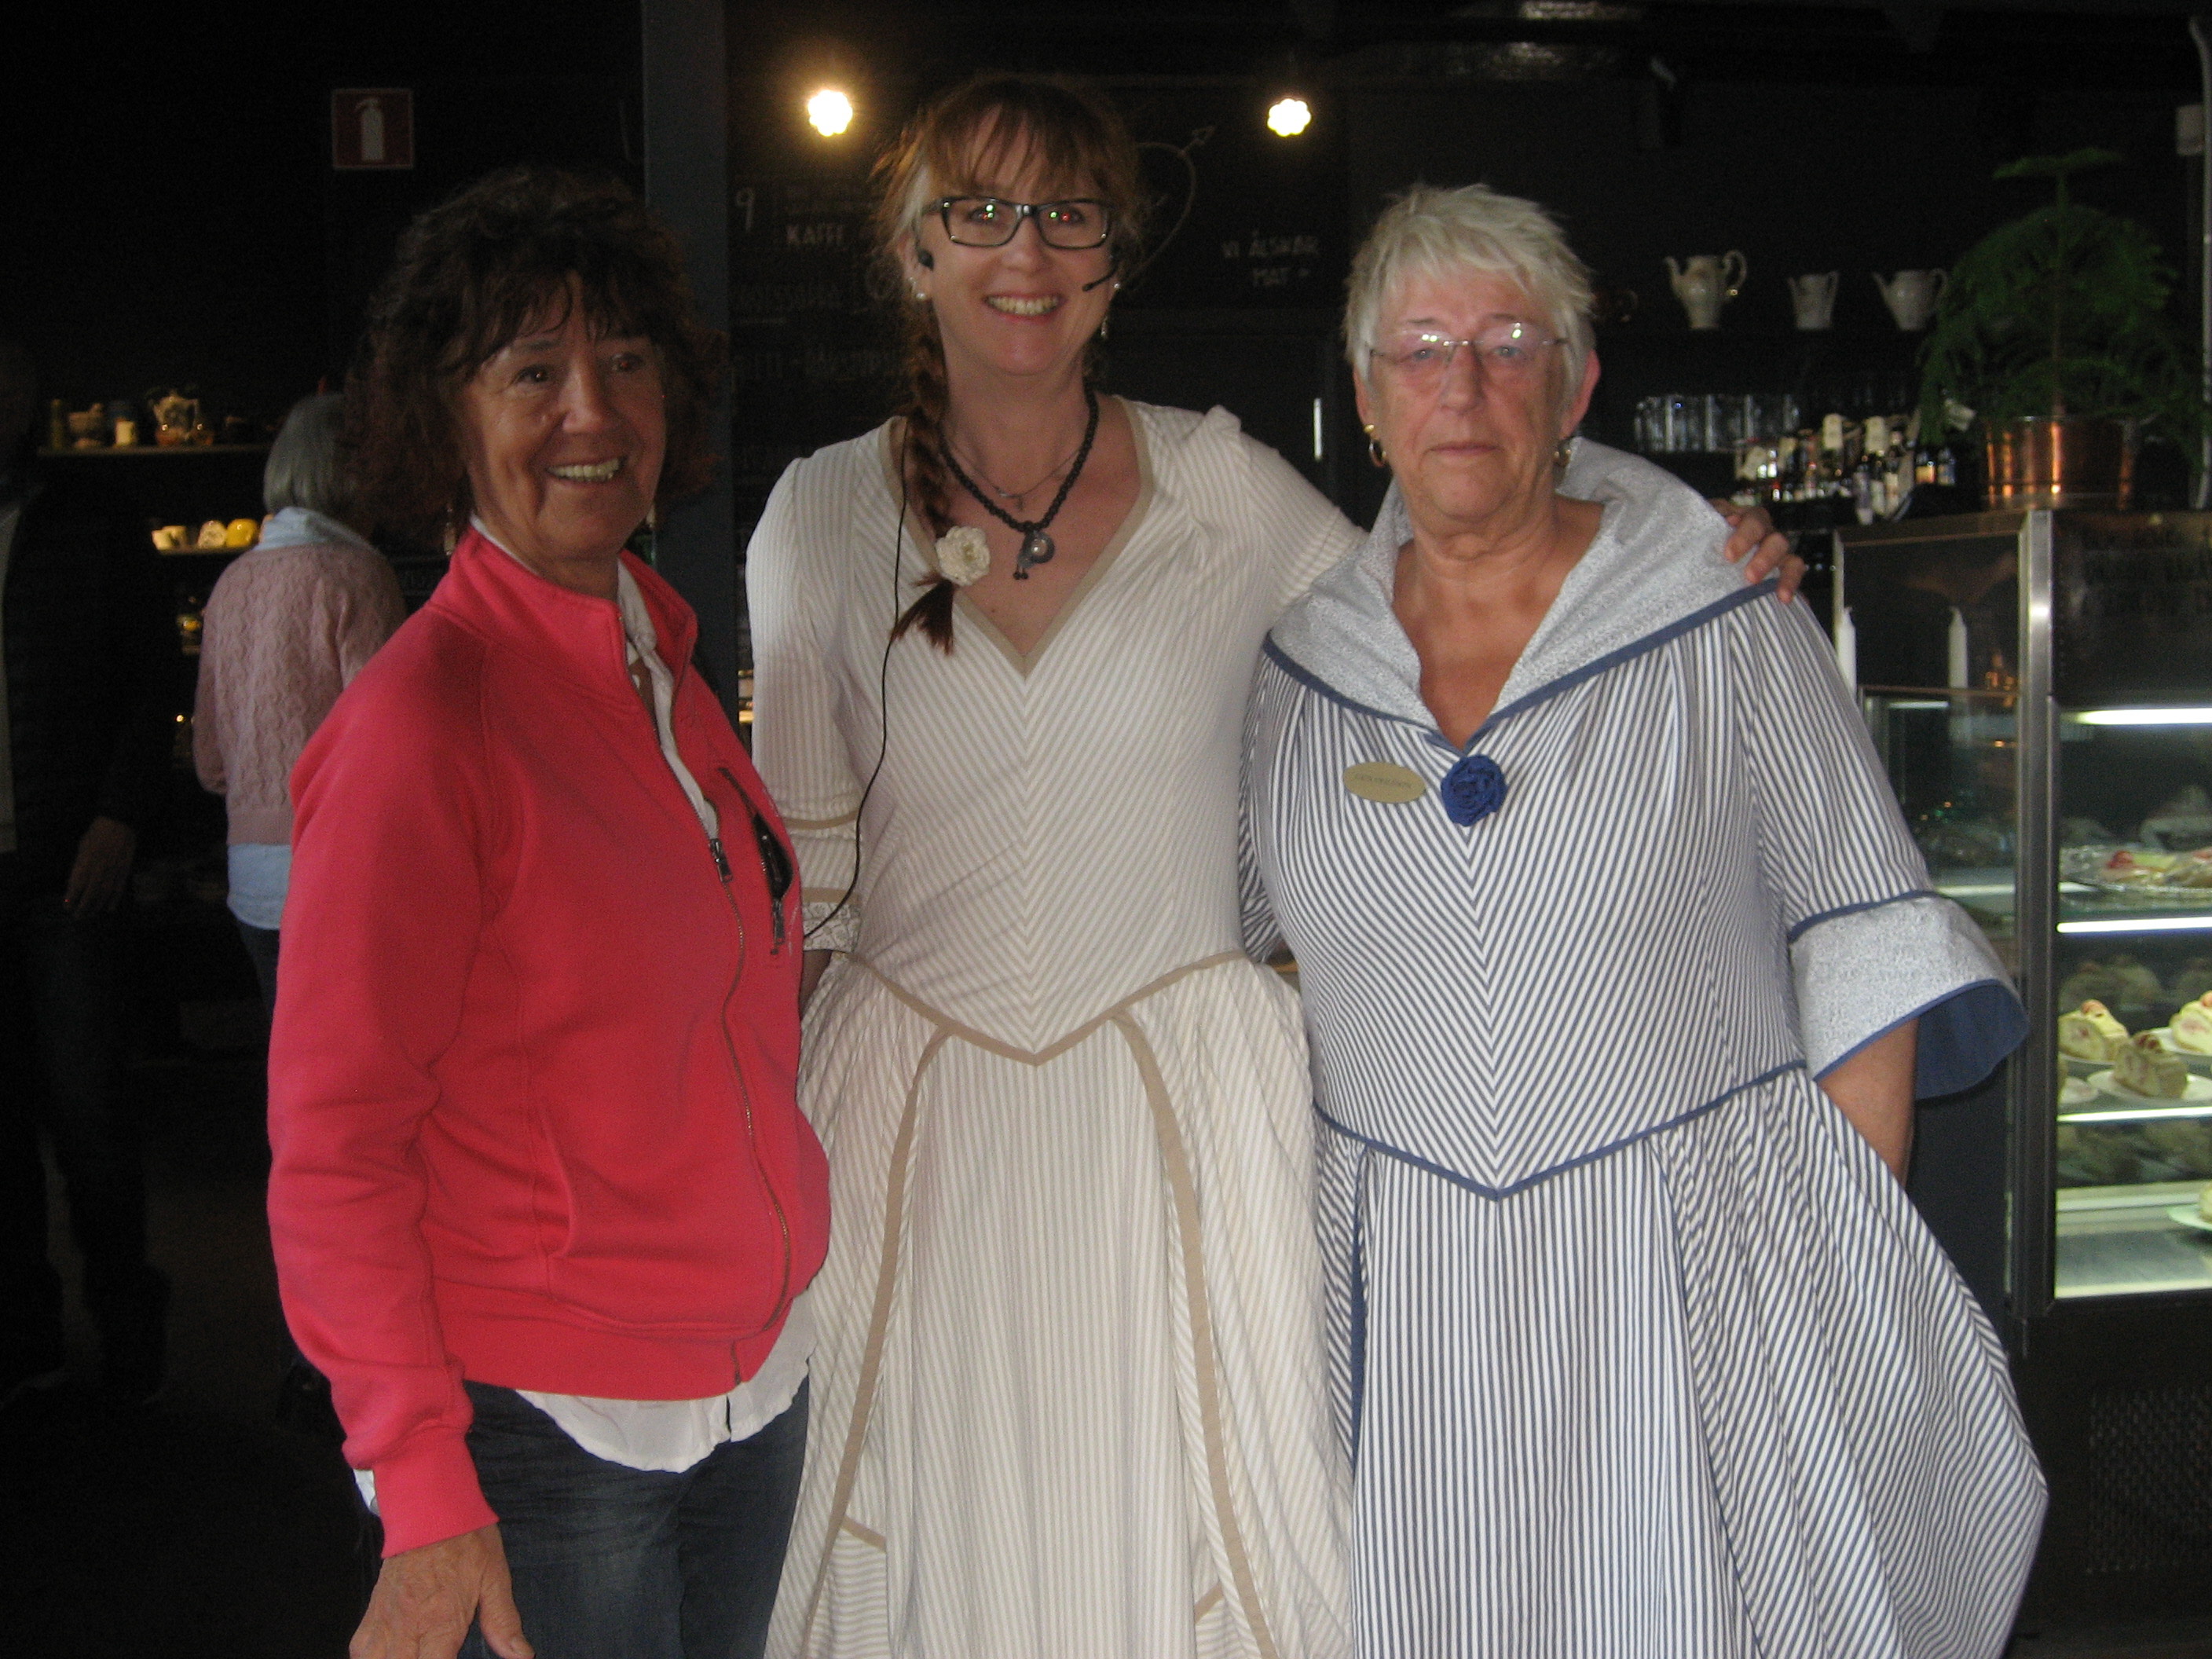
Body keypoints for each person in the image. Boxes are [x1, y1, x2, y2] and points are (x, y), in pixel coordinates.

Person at [747, 76, 1795, 1659]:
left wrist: (1675, 530)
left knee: (1221, 1537)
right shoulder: (817, 518)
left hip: (1185, 1109)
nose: (1026, 252)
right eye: (980, 211)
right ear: (913, 253)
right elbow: (797, 903)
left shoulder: (1223, 490)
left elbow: (1448, 565)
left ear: (1114, 262)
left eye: (1068, 214)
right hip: (920, 1129)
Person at [1240, 182, 2045, 1657]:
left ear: (1576, 388)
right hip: (1405, 1288)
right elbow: (1235, 951)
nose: (1463, 386)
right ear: (1366, 398)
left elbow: (1863, 942)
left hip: (1688, 1268)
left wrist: (1830, 1265)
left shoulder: (1724, 613)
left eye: (1509, 344)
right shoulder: (1299, 672)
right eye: (1420, 349)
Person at [266, 169, 830, 1659]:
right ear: (442, 420)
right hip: (548, 1431)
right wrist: (416, 1479)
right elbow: (333, 1148)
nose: (593, 409)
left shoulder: (662, 667)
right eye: (532, 372)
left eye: (626, 360)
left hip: (749, 1395)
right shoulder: (422, 726)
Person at [0, 336, 174, 1407]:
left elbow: (152, 676)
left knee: (91, 1114)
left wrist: (119, 815)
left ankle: (127, 1326)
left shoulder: (92, 520)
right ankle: (26, 1334)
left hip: (69, 863)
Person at [192, 392, 405, 1012]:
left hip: (251, 879)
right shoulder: (357, 575)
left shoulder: (231, 583)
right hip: (343, 872)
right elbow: (392, 745)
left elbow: (211, 763)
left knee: (288, 1058)